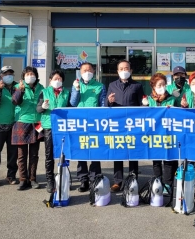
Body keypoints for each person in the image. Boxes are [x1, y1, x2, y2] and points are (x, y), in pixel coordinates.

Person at [105, 59, 145, 192]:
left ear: (131, 70)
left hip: (133, 124)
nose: (124, 71)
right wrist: (109, 101)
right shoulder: (112, 85)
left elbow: (142, 104)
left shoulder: (137, 86)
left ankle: (133, 178)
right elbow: (106, 104)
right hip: (118, 124)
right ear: (117, 71)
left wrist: (145, 104)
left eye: (126, 68)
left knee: (133, 151)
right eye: (121, 69)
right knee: (118, 151)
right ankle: (118, 181)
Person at [69, 62, 106, 192]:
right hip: (80, 123)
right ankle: (83, 179)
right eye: (84, 70)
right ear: (80, 72)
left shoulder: (100, 86)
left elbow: (103, 104)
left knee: (95, 151)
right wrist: (76, 90)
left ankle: (95, 177)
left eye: (89, 70)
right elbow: (73, 103)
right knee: (82, 150)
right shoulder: (76, 85)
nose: (87, 72)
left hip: (94, 123)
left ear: (93, 71)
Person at [36, 70, 70, 193]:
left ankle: (64, 179)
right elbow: (38, 109)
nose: (57, 81)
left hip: (62, 126)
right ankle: (50, 181)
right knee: (49, 154)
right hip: (49, 126)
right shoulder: (44, 92)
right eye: (55, 78)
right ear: (50, 80)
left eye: (60, 79)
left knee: (64, 154)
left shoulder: (67, 92)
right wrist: (43, 107)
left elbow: (70, 107)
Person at [12, 66, 44, 191]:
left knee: (34, 154)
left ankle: (32, 179)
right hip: (22, 122)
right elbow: (15, 101)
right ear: (23, 77)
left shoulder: (41, 88)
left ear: (36, 76)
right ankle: (22, 179)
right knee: (21, 154)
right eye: (27, 74)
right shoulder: (18, 87)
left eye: (32, 74)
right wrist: (20, 90)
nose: (30, 76)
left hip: (37, 123)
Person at [145, 73, 177, 194]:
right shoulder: (148, 99)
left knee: (168, 159)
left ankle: (168, 184)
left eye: (164, 84)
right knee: (156, 160)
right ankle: (157, 182)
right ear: (153, 86)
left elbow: (178, 114)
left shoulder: (171, 99)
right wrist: (144, 106)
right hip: (154, 134)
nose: (162, 87)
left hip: (168, 134)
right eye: (159, 85)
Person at [0, 65, 19, 187]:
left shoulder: (18, 87)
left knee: (13, 153)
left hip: (14, 124)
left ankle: (11, 175)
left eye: (10, 74)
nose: (8, 76)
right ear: (1, 75)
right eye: (5, 74)